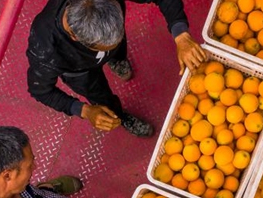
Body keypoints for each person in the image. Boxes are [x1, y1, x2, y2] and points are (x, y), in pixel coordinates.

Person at [26, 0, 206, 137]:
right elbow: (41, 91)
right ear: (74, 36)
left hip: (107, 45)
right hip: (80, 71)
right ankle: (120, 116)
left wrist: (181, 35)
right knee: (102, 100)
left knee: (118, 49)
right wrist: (83, 110)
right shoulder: (45, 50)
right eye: (104, 47)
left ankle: (117, 59)